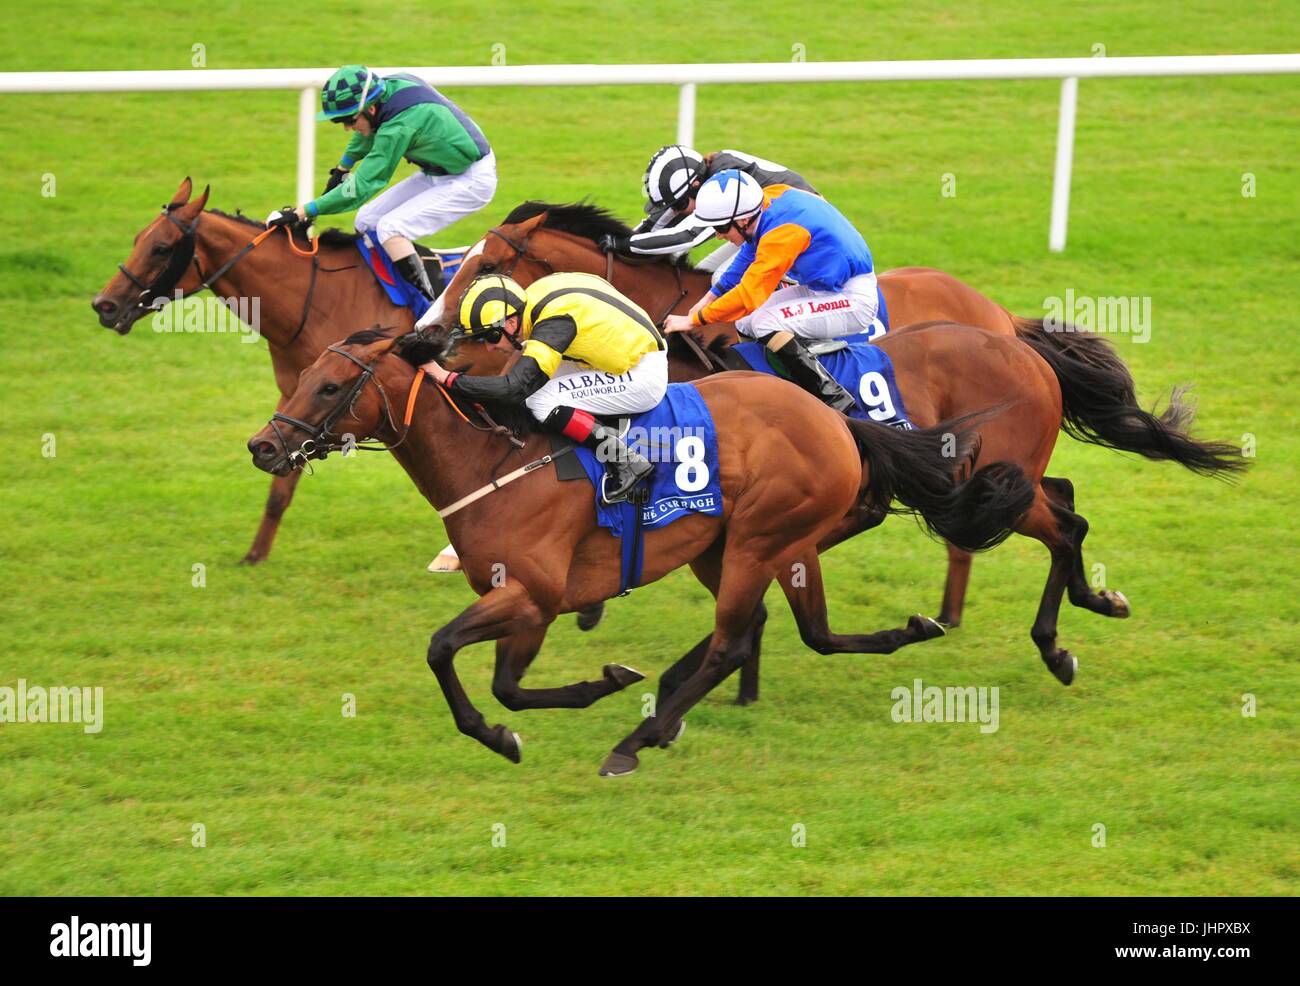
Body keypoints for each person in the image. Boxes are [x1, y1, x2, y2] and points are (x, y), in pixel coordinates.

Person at [421, 272, 668, 503]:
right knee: (535, 390)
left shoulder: (553, 322)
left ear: (509, 322)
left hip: (641, 375)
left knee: (540, 400)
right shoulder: (534, 296)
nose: (489, 347)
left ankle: (625, 460)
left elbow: (514, 388)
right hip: (621, 355)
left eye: (491, 336)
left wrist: (448, 378)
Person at [266, 65, 497, 308]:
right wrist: (343, 167)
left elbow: (362, 186)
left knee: (391, 228)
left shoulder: (398, 127)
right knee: (366, 220)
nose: (346, 128)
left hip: (472, 180)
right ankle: (391, 293)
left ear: (371, 108)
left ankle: (433, 310)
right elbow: (367, 130)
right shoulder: (387, 88)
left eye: (348, 120)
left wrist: (302, 211)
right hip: (437, 172)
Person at [662, 169, 880, 413]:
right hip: (826, 288)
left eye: (721, 227)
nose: (718, 235)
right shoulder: (768, 199)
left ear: (742, 220)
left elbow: (748, 296)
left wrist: (694, 320)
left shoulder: (782, 234)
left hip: (851, 298)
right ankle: (769, 382)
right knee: (746, 323)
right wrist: (710, 297)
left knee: (765, 321)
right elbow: (748, 252)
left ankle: (833, 398)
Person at [601, 145, 817, 279]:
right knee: (703, 275)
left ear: (695, 185)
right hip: (764, 228)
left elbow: (688, 236)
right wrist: (622, 240)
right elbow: (655, 223)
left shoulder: (723, 184)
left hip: (800, 229)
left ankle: (792, 338)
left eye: (678, 205)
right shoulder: (703, 176)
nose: (676, 212)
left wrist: (624, 245)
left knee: (722, 278)